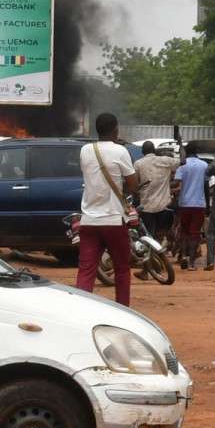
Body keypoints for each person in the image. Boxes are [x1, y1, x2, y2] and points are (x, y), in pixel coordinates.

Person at [76, 113, 139, 305]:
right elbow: (133, 183)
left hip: (88, 220)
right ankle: (123, 310)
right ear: (116, 130)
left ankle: (81, 309)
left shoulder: (85, 150)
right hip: (113, 220)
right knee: (121, 268)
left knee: (86, 270)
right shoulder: (120, 151)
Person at [134, 141, 179, 251]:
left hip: (147, 206)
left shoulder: (138, 164)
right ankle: (160, 256)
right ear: (154, 150)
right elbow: (181, 161)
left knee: (148, 235)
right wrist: (180, 144)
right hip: (164, 206)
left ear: (143, 152)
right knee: (160, 235)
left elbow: (134, 184)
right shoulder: (165, 161)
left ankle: (151, 260)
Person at [174, 143, 209, 271]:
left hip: (184, 203)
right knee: (195, 234)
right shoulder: (204, 165)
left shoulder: (182, 166)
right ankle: (192, 263)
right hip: (199, 204)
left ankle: (183, 255)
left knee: (184, 231)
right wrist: (208, 205)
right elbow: (205, 186)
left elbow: (177, 183)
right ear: (197, 151)